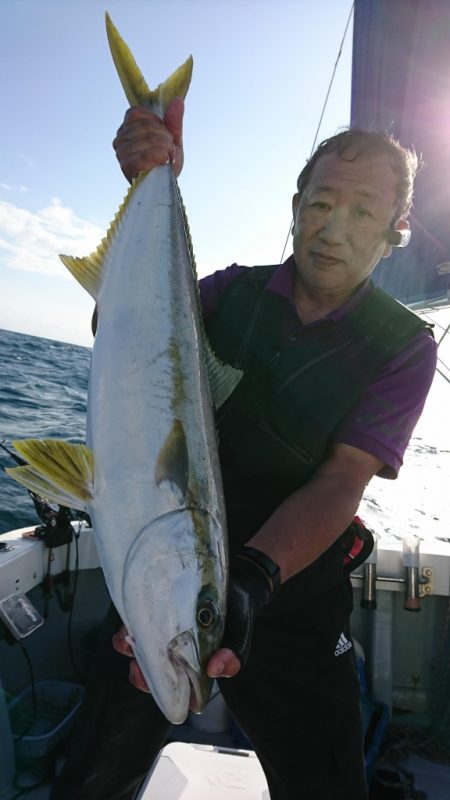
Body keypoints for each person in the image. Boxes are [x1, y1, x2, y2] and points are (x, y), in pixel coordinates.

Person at [51, 100, 437, 800]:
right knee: (91, 780)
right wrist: (152, 180)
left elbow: (342, 481)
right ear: (294, 206)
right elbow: (119, 324)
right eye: (321, 203)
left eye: (362, 213)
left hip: (286, 596)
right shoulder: (232, 291)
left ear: (395, 231)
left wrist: (251, 578)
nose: (334, 228)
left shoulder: (404, 344)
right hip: (164, 581)